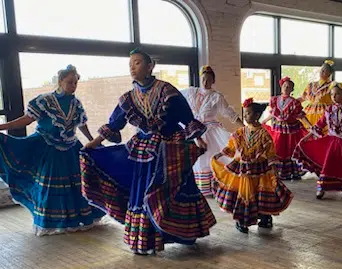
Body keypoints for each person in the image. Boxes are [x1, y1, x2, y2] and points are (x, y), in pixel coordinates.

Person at [80, 49, 216, 255]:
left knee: (176, 189)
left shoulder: (167, 91)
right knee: (143, 191)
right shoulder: (128, 98)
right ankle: (146, 240)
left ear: (150, 66)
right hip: (144, 151)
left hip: (170, 150)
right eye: (130, 64)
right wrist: (94, 142)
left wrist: (198, 138)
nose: (132, 68)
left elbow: (185, 116)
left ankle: (183, 233)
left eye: (137, 63)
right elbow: (115, 123)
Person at [0, 65, 104, 235]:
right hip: (48, 147)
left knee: (77, 185)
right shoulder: (45, 101)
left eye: (76, 83)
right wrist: (2, 126)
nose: (73, 86)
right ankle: (51, 222)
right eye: (70, 82)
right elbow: (26, 120)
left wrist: (92, 140)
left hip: (71, 148)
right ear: (60, 81)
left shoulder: (76, 103)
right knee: (50, 187)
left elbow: (82, 123)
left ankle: (77, 218)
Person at [211, 98, 293, 233]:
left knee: (259, 193)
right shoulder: (240, 132)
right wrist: (219, 155)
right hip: (242, 167)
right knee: (243, 193)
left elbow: (270, 152)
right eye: (244, 113)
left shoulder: (264, 134)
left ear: (256, 116)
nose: (245, 116)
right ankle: (242, 220)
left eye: (248, 113)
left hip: (260, 168)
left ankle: (265, 218)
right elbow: (231, 147)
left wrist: (274, 170)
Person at [181, 65, 242, 196]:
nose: (205, 82)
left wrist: (243, 126)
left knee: (211, 155)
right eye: (203, 79)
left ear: (213, 81)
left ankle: (215, 185)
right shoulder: (191, 92)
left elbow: (229, 113)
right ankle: (199, 187)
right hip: (193, 130)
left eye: (208, 79)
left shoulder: (216, 97)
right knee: (196, 158)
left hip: (211, 130)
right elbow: (176, 98)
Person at [262, 76, 309, 180]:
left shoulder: (294, 102)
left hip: (291, 130)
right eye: (285, 86)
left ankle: (293, 172)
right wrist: (265, 120)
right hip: (279, 128)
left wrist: (309, 125)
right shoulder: (275, 100)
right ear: (281, 87)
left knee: (290, 149)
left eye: (289, 87)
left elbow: (300, 115)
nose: (286, 88)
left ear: (292, 89)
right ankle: (280, 172)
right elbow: (274, 114)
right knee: (278, 148)